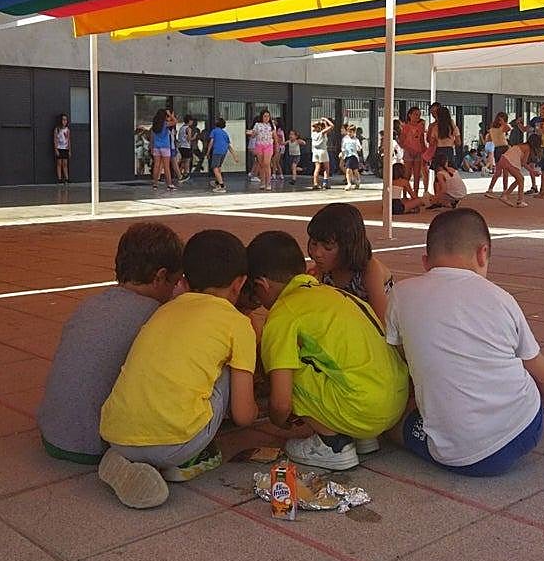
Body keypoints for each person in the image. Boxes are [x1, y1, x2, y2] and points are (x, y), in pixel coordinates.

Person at [386, 209, 544, 477]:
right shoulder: (501, 299)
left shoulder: (401, 294)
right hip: (525, 428)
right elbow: (543, 372)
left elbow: (404, 359)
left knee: (394, 425)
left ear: (426, 262)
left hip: (456, 454)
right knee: (524, 372)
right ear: (482, 253)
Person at [98, 230, 258, 509]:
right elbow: (243, 416)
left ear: (184, 280)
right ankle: (187, 459)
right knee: (228, 368)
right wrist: (260, 411)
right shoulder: (237, 323)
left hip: (116, 434)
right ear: (239, 284)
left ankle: (127, 459)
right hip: (175, 443)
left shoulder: (163, 310)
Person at [246, 231, 409, 471]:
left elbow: (281, 404)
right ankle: (363, 437)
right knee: (335, 361)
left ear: (262, 285)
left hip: (362, 409)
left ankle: (332, 445)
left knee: (283, 367)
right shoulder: (336, 293)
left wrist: (277, 420)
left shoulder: (282, 314)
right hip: (395, 402)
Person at [39, 222, 184, 465]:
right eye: (175, 282)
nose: (175, 290)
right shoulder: (155, 316)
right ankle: (121, 465)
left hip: (53, 435)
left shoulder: (91, 304)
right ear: (160, 277)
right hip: (97, 444)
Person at [308, 202, 394, 324]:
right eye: (314, 244)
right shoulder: (321, 271)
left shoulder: (369, 270)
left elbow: (384, 324)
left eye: (328, 247)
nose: (317, 253)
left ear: (348, 246)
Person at [484, 134, 543, 208]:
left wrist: (531, 171)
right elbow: (523, 163)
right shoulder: (528, 148)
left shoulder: (522, 145)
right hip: (510, 161)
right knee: (521, 179)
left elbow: (520, 160)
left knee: (518, 179)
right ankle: (520, 200)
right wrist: (533, 171)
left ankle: (505, 195)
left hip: (503, 158)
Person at [399, 107, 428, 197]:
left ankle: (415, 194)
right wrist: (408, 149)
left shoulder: (421, 127)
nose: (417, 116)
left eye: (419, 115)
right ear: (410, 115)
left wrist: (425, 153)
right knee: (407, 174)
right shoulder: (406, 127)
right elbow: (401, 142)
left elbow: (422, 140)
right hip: (408, 152)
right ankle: (404, 194)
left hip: (418, 153)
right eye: (415, 114)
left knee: (417, 175)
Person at [206, 117, 235, 193]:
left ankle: (222, 186)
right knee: (218, 167)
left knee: (215, 168)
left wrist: (208, 152)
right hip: (224, 152)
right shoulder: (225, 133)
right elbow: (228, 145)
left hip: (217, 151)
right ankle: (217, 182)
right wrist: (234, 155)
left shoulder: (214, 131)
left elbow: (211, 142)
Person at [247, 109, 276, 190]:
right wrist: (251, 133)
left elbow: (275, 137)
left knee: (267, 163)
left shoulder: (272, 125)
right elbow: (253, 136)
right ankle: (262, 182)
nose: (266, 118)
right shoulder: (257, 125)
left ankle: (268, 182)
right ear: (262, 117)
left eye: (268, 116)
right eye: (265, 116)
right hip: (259, 145)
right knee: (261, 164)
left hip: (268, 145)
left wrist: (276, 147)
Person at [148, 108, 175, 191]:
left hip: (156, 147)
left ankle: (155, 184)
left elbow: (152, 138)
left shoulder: (154, 126)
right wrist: (170, 115)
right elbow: (175, 122)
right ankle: (169, 184)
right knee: (166, 167)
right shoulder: (165, 124)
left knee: (156, 166)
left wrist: (152, 147)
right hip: (165, 147)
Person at [310, 117, 333, 190]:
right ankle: (325, 183)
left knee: (317, 168)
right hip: (322, 151)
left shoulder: (313, 134)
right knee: (326, 168)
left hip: (315, 151)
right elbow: (332, 126)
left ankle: (315, 183)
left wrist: (323, 123)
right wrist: (326, 120)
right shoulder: (322, 133)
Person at [340, 125, 363, 190]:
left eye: (351, 132)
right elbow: (343, 147)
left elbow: (359, 148)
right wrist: (342, 153)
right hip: (347, 156)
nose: (349, 133)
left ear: (354, 132)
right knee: (348, 170)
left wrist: (358, 148)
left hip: (354, 156)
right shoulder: (345, 139)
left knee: (355, 170)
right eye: (348, 132)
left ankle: (358, 180)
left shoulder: (356, 140)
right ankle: (349, 183)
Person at [54, 113, 71, 184]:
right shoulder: (57, 129)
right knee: (59, 163)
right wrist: (56, 149)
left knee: (65, 163)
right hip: (59, 148)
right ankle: (59, 178)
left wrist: (69, 150)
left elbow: (69, 140)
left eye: (66, 120)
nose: (65, 121)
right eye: (63, 120)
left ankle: (66, 178)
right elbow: (55, 139)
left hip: (65, 148)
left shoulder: (67, 130)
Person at [175, 114, 193, 182]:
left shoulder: (181, 128)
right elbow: (189, 139)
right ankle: (185, 174)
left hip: (181, 146)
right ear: (189, 121)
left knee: (183, 161)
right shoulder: (188, 128)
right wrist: (194, 137)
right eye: (191, 120)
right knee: (187, 161)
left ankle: (179, 174)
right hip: (186, 146)